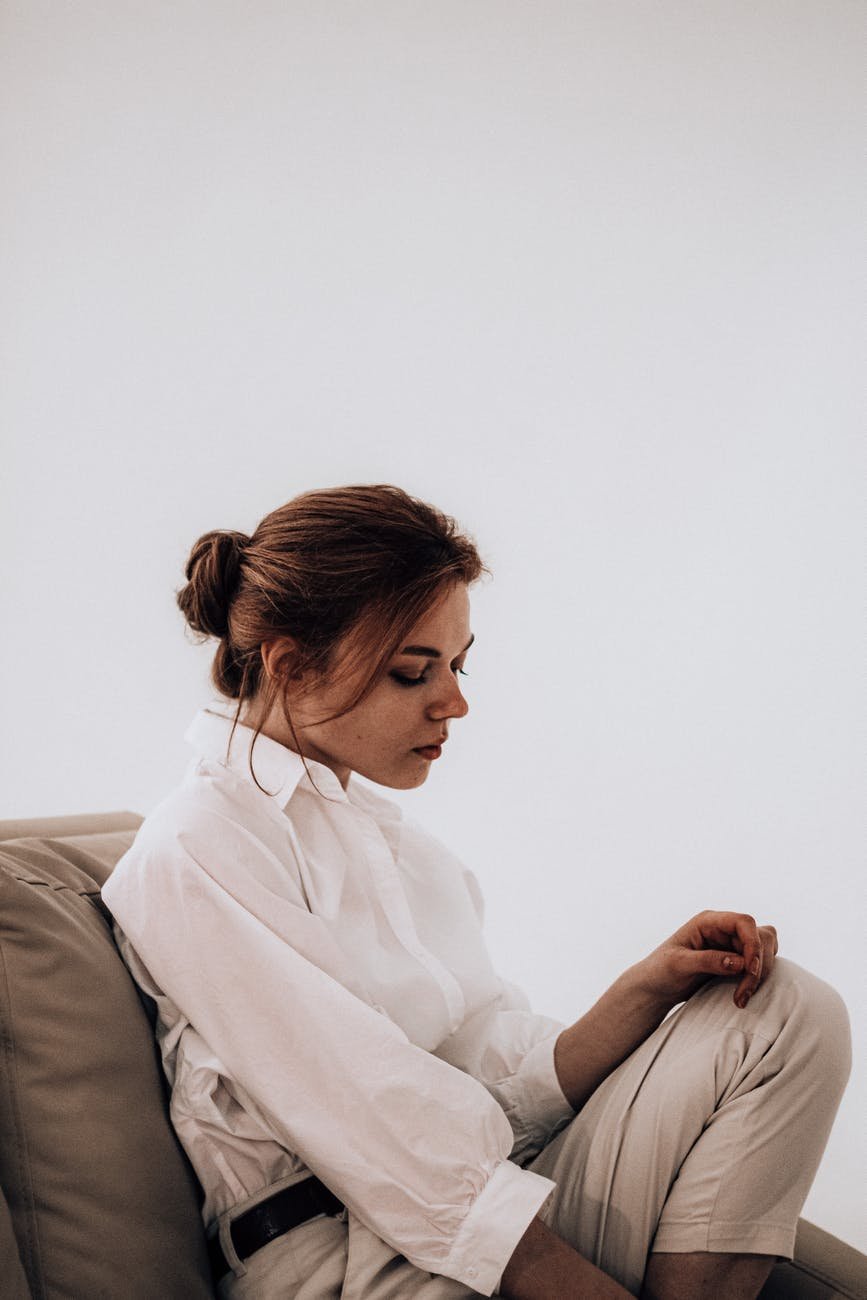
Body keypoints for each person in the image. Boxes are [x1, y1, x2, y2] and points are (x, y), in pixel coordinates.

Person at [102, 484, 851, 1300]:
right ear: (288, 665)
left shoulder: (400, 850)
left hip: (485, 1193)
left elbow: (496, 1093)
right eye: (411, 671)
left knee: (783, 1011)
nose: (455, 702)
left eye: (457, 665)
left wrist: (644, 989)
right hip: (341, 1260)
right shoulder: (196, 845)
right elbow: (375, 1119)